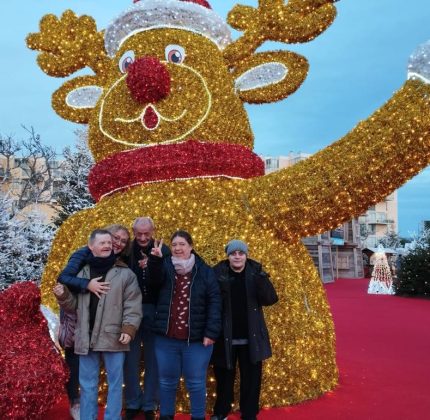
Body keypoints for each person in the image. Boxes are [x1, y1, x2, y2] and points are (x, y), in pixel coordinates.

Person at [53, 229, 142, 420]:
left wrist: (129, 328)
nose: (108, 246)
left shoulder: (125, 274)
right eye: (102, 243)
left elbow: (133, 305)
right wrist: (63, 296)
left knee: (116, 384)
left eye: (109, 243)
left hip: (114, 337)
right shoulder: (82, 273)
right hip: (85, 336)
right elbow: (74, 306)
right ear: (91, 246)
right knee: (87, 385)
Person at [148, 230, 221, 420]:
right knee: (166, 382)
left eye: (182, 244)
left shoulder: (205, 271)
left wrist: (211, 332)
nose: (178, 248)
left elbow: (215, 302)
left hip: (196, 341)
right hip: (166, 339)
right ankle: (166, 416)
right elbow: (152, 283)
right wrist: (155, 261)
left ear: (191, 246)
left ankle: (198, 417)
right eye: (174, 245)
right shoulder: (164, 266)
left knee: (196, 383)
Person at [211, 240, 278, 420]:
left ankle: (249, 412)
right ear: (228, 256)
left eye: (241, 253)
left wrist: (262, 278)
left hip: (251, 336)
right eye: (233, 253)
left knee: (251, 378)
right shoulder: (218, 273)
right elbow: (210, 301)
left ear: (246, 255)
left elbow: (271, 299)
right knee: (224, 378)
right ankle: (221, 411)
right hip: (225, 336)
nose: (237, 256)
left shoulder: (255, 273)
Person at [124, 217, 170, 420]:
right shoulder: (126, 250)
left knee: (154, 361)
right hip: (130, 312)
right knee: (130, 360)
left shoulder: (163, 249)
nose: (143, 237)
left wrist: (153, 264)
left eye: (147, 233)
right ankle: (133, 403)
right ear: (133, 232)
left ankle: (150, 404)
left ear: (153, 231)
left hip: (155, 311)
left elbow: (168, 278)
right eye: (139, 233)